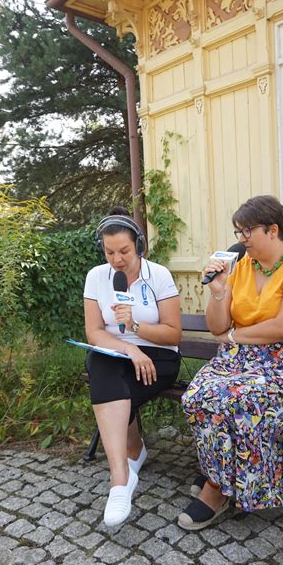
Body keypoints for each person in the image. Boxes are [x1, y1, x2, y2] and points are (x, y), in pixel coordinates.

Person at [179, 195, 283, 531]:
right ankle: (221, 472)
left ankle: (215, 490)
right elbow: (217, 326)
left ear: (272, 230)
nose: (241, 239)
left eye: (247, 232)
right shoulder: (240, 266)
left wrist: (233, 338)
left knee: (234, 399)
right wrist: (218, 291)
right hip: (241, 359)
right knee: (198, 396)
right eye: (238, 232)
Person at [84, 207, 181, 527]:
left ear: (138, 246)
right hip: (117, 355)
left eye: (124, 251)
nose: (116, 260)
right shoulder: (96, 277)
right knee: (99, 360)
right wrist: (128, 348)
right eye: (109, 252)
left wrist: (136, 328)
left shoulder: (159, 275)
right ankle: (120, 480)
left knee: (108, 385)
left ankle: (135, 451)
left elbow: (173, 333)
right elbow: (95, 332)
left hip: (160, 358)